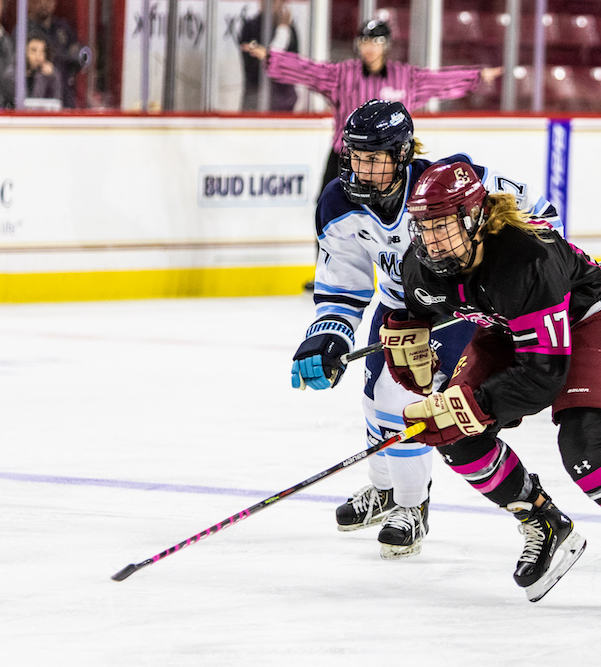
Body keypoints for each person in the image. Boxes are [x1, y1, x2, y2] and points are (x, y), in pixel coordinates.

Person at [378, 161, 601, 617]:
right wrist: (404, 333)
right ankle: (543, 522)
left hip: (587, 321)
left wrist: (475, 403)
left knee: (583, 444)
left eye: (443, 226)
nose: (432, 240)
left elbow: (542, 376)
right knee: (456, 436)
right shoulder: (423, 265)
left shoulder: (527, 258)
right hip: (506, 330)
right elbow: (414, 310)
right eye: (424, 227)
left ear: (474, 218)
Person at [290, 100, 559, 561]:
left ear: (402, 154)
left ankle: (412, 507)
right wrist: (329, 336)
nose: (362, 169)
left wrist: (541, 270)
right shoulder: (337, 201)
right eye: (356, 157)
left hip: (456, 305)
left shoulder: (447, 182)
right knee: (375, 398)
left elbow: (540, 216)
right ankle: (383, 490)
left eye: (374, 158)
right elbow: (344, 283)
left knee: (410, 401)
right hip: (400, 307)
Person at [244, 19, 502, 198]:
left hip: (388, 161)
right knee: (328, 209)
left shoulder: (406, 78)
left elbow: (439, 81)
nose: (369, 47)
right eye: (364, 41)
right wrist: (270, 56)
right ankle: (326, 269)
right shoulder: (342, 75)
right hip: (344, 159)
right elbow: (309, 71)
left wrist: (477, 77)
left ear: (386, 45)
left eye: (375, 41)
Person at [238, 0, 299, 112]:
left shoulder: (290, 30)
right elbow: (260, 64)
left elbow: (294, 67)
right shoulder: (250, 27)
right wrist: (282, 32)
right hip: (256, 97)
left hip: (283, 100)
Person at [26, 0, 83, 109]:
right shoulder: (24, 29)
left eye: (48, 1)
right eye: (39, 1)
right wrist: (66, 55)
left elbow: (78, 55)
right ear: (31, 3)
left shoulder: (63, 27)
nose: (44, 4)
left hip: (65, 96)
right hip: (36, 101)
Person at [25, 36, 63, 103]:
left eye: (42, 51)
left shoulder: (48, 75)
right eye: (34, 50)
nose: (38, 56)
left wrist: (52, 76)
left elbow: (57, 103)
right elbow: (31, 106)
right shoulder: (13, 75)